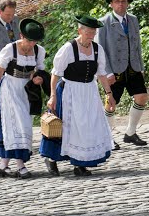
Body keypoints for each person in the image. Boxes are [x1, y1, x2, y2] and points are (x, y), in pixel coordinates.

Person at [40, 15, 115, 177]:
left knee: (87, 126)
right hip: (69, 91)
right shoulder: (69, 48)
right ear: (79, 30)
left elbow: (102, 74)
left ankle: (80, 163)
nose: (91, 35)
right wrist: (52, 95)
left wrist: (109, 94)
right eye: (88, 32)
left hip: (89, 92)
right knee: (65, 126)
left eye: (93, 32)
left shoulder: (97, 49)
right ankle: (51, 159)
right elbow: (55, 74)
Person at [0, 17, 47, 178]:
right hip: (9, 87)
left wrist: (38, 78)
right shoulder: (10, 49)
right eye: (29, 40)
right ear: (21, 36)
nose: (31, 44)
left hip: (26, 89)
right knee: (14, 124)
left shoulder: (39, 51)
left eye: (34, 41)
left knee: (25, 123)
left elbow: (40, 71)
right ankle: (21, 165)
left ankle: (3, 165)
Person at [98, 0, 148, 147]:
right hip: (114, 68)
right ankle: (106, 136)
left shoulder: (133, 19)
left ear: (127, 4)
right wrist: (107, 72)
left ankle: (131, 132)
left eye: (123, 1)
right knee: (111, 102)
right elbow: (100, 49)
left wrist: (140, 66)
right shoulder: (104, 22)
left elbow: (137, 44)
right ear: (111, 4)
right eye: (117, 1)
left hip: (132, 66)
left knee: (142, 97)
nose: (121, 4)